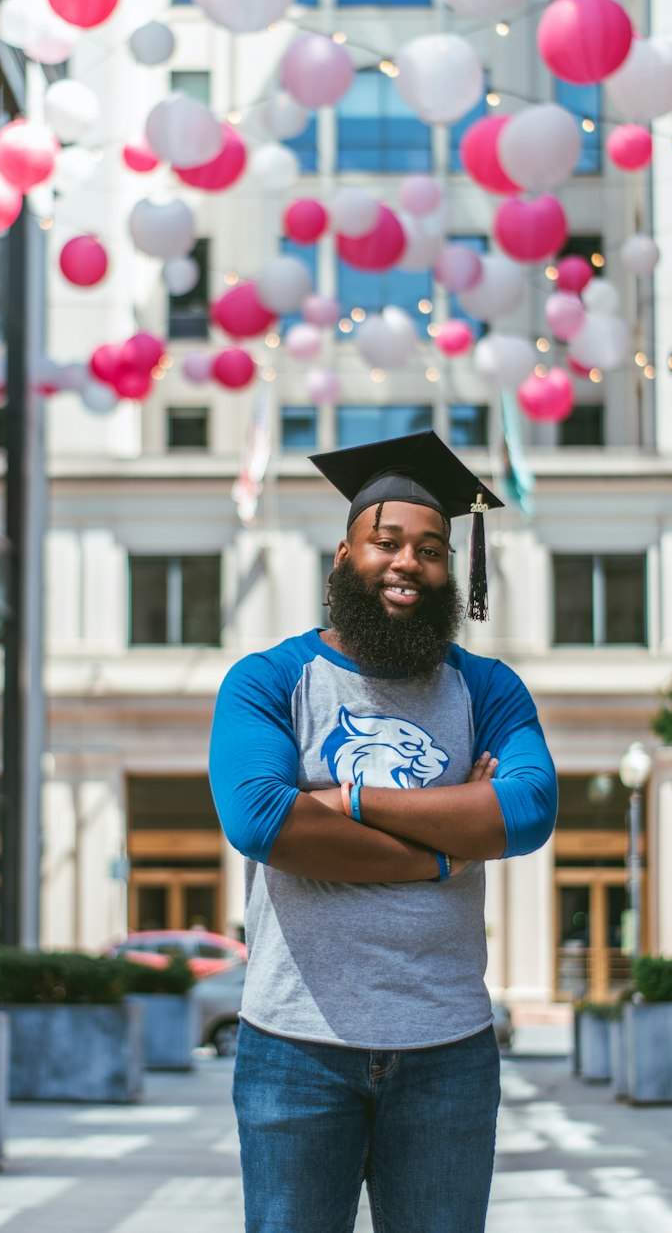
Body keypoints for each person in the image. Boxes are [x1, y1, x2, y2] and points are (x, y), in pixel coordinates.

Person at [208, 430, 558, 1233]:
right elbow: (262, 819)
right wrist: (449, 847)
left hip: (449, 1048)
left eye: (432, 549)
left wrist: (344, 800)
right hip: (294, 1047)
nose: (409, 563)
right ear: (343, 556)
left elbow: (529, 809)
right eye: (387, 542)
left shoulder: (489, 689)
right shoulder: (268, 680)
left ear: (450, 571)